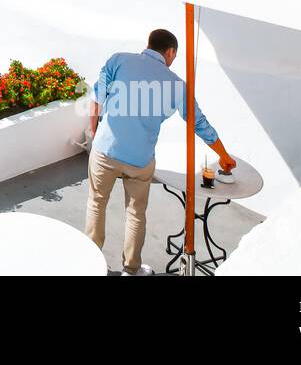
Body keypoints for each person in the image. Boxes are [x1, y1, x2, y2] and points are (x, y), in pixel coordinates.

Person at [84, 28, 236, 275]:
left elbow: (97, 97)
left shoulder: (118, 60)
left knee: (96, 204)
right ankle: (131, 269)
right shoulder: (177, 85)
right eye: (174, 56)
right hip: (140, 160)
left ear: (149, 44)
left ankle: (89, 265)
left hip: (105, 149)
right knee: (135, 214)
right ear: (170, 51)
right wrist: (224, 155)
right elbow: (199, 123)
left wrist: (94, 132)